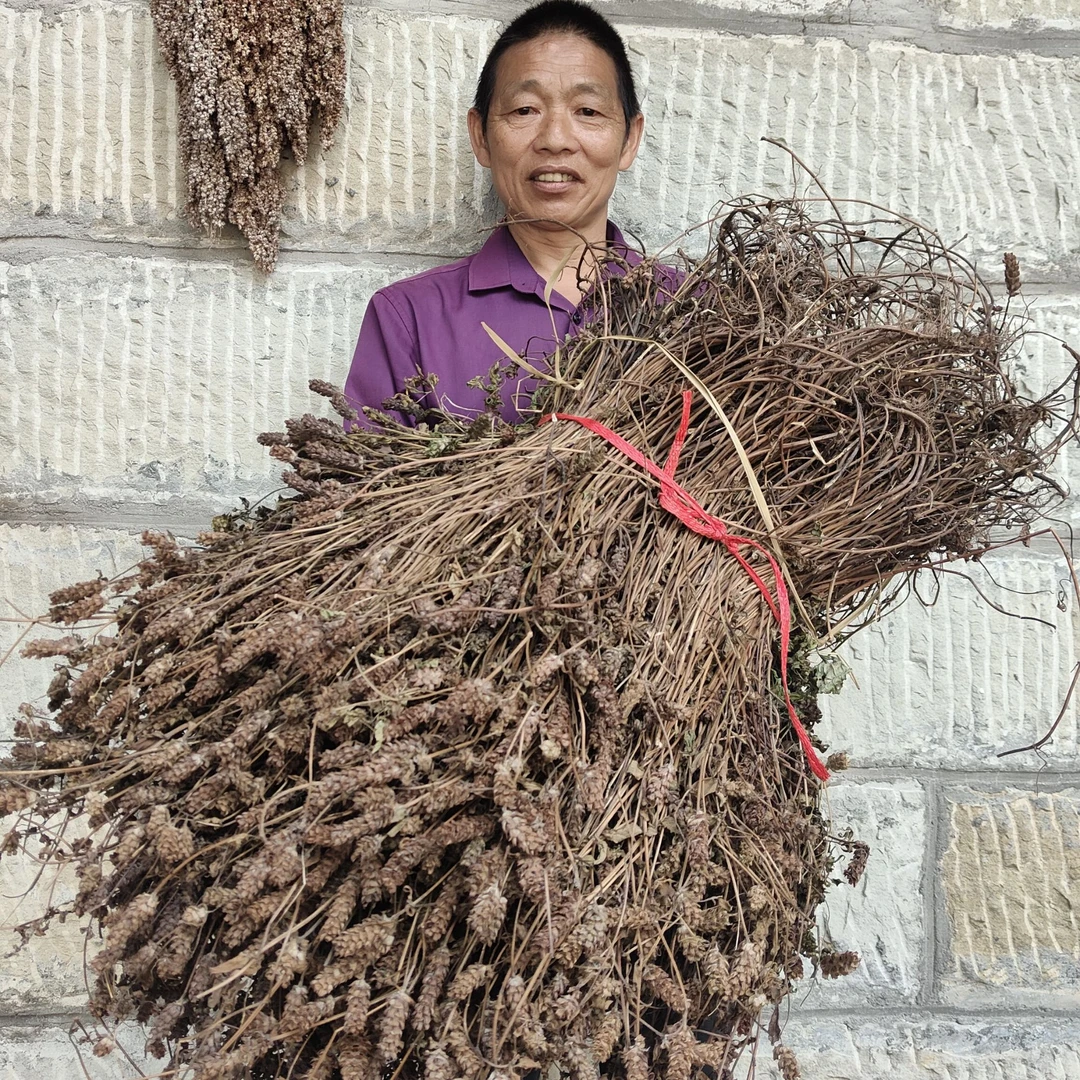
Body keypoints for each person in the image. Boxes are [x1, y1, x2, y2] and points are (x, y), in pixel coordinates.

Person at [343, 0, 647, 426]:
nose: (555, 139)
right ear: (481, 137)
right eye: (525, 110)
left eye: (588, 111)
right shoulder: (408, 318)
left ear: (630, 139)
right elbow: (366, 486)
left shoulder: (699, 308)